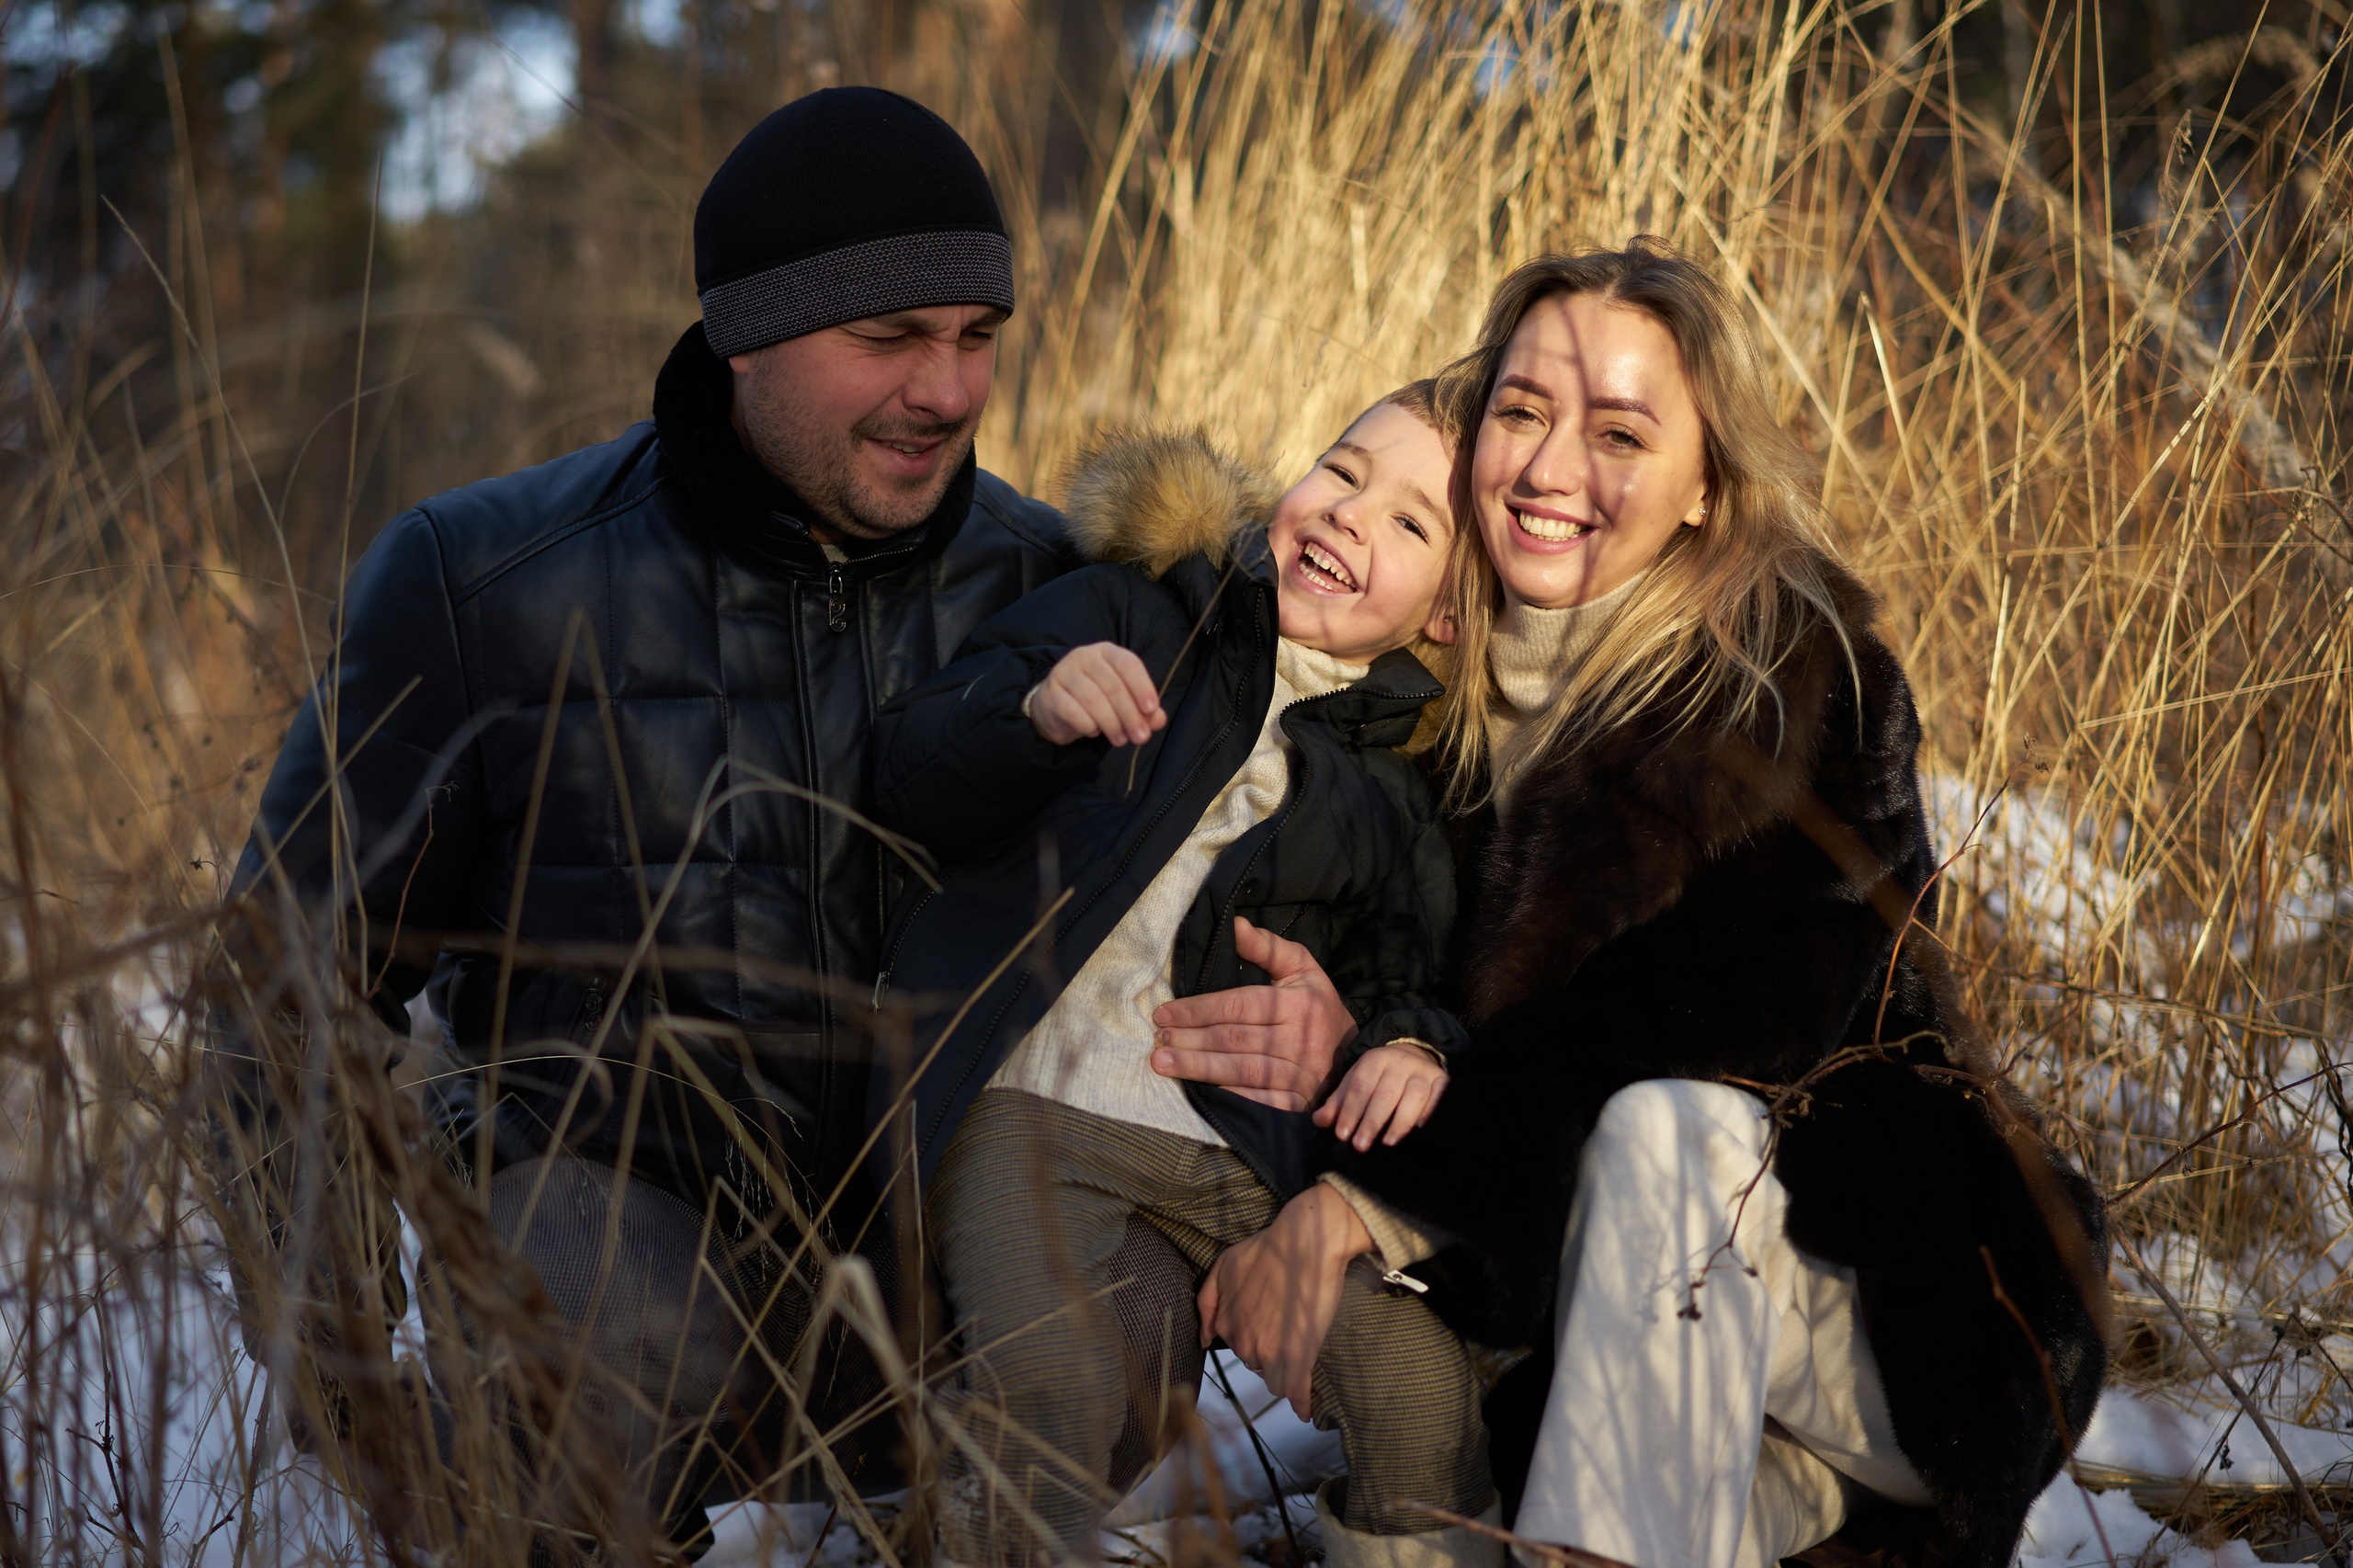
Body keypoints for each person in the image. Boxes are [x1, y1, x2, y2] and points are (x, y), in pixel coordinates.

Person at [1147, 243, 2110, 1568]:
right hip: (1638, 1347)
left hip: (1904, 1316)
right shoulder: (1435, 711)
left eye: (1619, 433)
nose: (1551, 471)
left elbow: (1692, 1025)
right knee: (1470, 1517)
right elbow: (1423, 1024)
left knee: (1668, 1131)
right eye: (1524, 412)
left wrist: (1365, 1202)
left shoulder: (1792, 679)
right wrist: (1352, 1036)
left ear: (1705, 485)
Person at [210, 87, 1076, 1556]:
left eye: (977, 335)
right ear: (746, 333)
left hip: (956, 1266)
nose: (949, 390)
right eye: (889, 340)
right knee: (598, 1294)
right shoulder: (488, 583)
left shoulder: (1055, 587)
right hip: (622, 1256)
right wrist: (339, 1371)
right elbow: (279, 986)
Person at [865, 392, 1501, 1568]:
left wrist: (1404, 1044)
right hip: (1032, 1106)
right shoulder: (1145, 608)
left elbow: (1409, 974)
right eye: (1342, 471)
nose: (1353, 516)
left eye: (1412, 524)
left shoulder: (1396, 785)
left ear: (1452, 614)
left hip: (1245, 1159)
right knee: (1055, 1387)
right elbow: (911, 766)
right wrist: (1032, 710)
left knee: (1419, 1388)